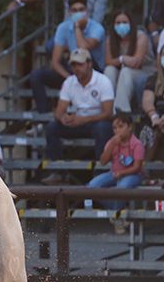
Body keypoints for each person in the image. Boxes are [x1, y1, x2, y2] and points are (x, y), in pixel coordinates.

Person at [41, 48, 114, 183]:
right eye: (73, 65)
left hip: (94, 121)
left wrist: (84, 119)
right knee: (52, 127)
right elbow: (59, 112)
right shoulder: (69, 82)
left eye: (80, 64)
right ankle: (58, 171)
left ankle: (101, 170)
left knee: (103, 127)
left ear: (89, 64)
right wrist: (64, 118)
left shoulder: (103, 81)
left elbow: (108, 113)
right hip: (78, 121)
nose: (76, 68)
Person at [26, 0, 106, 113]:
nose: (78, 13)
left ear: (87, 11)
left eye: (81, 10)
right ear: (69, 12)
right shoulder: (63, 28)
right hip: (73, 71)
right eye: (74, 10)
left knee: (84, 59)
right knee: (36, 75)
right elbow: (55, 62)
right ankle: (43, 115)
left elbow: (83, 49)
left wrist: (77, 28)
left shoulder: (97, 28)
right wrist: (71, 79)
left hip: (93, 71)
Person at [86, 112, 144, 232]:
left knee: (121, 187)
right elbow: (102, 161)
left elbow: (137, 167)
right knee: (91, 187)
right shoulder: (112, 142)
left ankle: (117, 218)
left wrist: (122, 174)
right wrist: (112, 144)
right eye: (115, 128)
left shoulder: (137, 144)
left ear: (130, 127)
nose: (117, 130)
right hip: (114, 172)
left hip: (133, 174)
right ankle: (117, 212)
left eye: (121, 126)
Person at [103, 8, 153, 112]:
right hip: (123, 70)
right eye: (118, 23)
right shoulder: (110, 39)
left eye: (125, 22)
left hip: (145, 71)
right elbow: (108, 61)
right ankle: (108, 108)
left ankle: (122, 111)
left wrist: (122, 60)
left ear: (131, 23)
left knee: (126, 72)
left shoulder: (140, 36)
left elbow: (136, 62)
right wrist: (122, 59)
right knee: (109, 70)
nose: (121, 25)